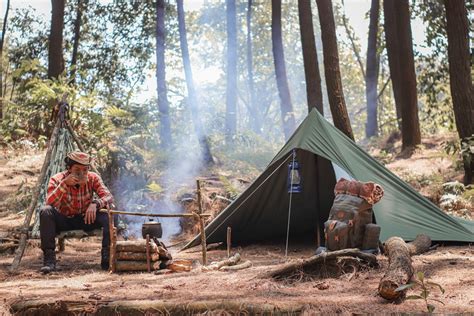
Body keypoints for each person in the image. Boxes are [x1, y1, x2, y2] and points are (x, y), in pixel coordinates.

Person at [39, 151, 114, 274]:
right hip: (65, 219)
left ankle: (107, 257)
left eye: (85, 170)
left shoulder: (93, 177)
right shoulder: (57, 179)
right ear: (69, 169)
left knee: (110, 214)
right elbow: (49, 202)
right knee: (45, 211)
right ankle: (49, 260)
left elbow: (109, 197)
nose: (82, 174)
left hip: (87, 219)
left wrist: (95, 204)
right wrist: (64, 185)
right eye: (77, 170)